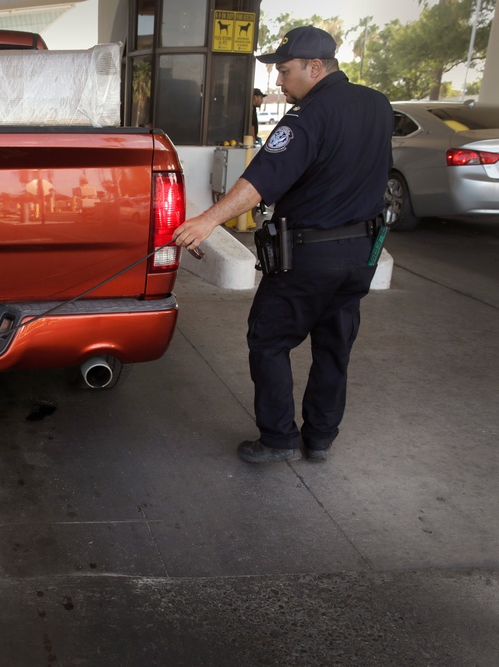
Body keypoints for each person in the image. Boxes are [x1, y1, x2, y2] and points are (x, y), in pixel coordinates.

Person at [172, 26, 393, 464]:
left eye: (285, 70)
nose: (278, 81)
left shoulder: (306, 116)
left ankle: (278, 439)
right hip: (361, 255)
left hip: (311, 257)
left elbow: (260, 182)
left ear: (315, 67)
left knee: (269, 341)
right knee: (334, 344)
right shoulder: (378, 104)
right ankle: (322, 438)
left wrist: (207, 221)